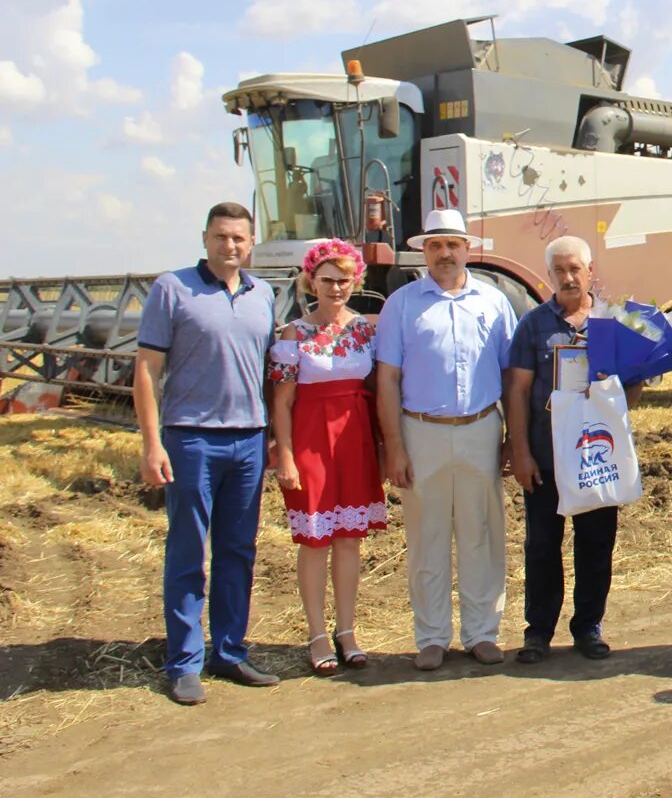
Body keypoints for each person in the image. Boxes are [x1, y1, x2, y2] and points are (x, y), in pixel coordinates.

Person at [133, 201, 279, 705]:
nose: (230, 246)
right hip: (191, 437)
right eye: (221, 237)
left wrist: (276, 438)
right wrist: (152, 443)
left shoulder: (265, 294)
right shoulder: (172, 289)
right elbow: (147, 371)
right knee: (189, 551)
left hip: (249, 440)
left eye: (239, 238)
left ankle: (231, 652)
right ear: (205, 238)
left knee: (239, 550)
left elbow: (270, 373)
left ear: (251, 241)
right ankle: (184, 662)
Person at [375, 209, 518, 671]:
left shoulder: (493, 302)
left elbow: (513, 376)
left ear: (467, 248)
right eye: (435, 246)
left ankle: (482, 633)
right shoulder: (402, 304)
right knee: (426, 537)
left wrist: (513, 439)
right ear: (424, 251)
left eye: (452, 244)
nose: (444, 253)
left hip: (480, 429)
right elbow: (387, 379)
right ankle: (432, 636)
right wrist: (394, 445)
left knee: (481, 533)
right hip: (422, 432)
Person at [506, 237, 643, 664]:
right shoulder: (532, 325)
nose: (568, 278)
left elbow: (635, 383)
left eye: (574, 269)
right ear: (549, 275)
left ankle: (588, 626)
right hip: (546, 458)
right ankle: (538, 631)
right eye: (559, 271)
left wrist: (613, 396)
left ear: (589, 270)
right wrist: (520, 452)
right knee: (543, 545)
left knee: (596, 544)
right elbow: (517, 390)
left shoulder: (612, 321)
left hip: (597, 456)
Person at [268, 239, 387, 675]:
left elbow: (378, 390)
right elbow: (281, 402)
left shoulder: (365, 331)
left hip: (354, 439)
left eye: (344, 280)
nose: (336, 288)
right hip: (311, 441)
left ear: (355, 282)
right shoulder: (293, 335)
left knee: (349, 539)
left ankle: (347, 631)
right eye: (327, 280)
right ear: (310, 281)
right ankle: (317, 633)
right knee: (316, 540)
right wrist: (286, 455)